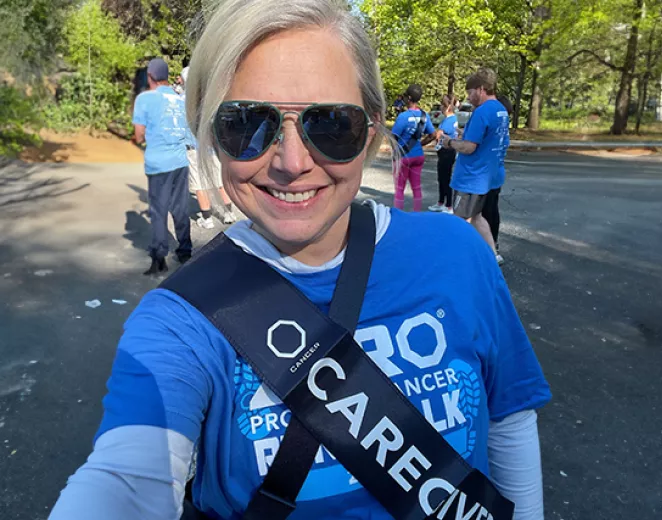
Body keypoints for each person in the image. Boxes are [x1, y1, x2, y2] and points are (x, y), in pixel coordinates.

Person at [49, 2, 550, 520]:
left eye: (332, 125)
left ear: (373, 131)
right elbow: (126, 482)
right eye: (248, 125)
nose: (292, 162)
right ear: (211, 136)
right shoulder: (181, 322)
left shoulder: (457, 254)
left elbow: (509, 420)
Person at [132, 58, 192, 275]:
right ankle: (185, 251)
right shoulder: (180, 100)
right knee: (180, 208)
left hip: (159, 164)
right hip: (180, 162)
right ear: (167, 76)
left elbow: (139, 136)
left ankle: (159, 258)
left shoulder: (145, 99)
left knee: (158, 211)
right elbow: (189, 135)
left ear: (150, 77)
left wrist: (144, 135)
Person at [442, 68, 510, 255]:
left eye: (470, 92)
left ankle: (457, 257)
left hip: (471, 177)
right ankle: (492, 254)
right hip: (489, 175)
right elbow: (493, 139)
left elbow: (469, 147)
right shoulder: (501, 110)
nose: (468, 97)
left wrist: (450, 142)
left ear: (480, 89)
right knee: (478, 217)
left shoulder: (481, 112)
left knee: (459, 219)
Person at [180, 66, 237, 229]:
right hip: (211, 146)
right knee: (218, 181)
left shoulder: (182, 100)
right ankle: (228, 213)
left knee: (199, 184)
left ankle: (207, 218)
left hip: (193, 146)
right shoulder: (208, 99)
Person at [391, 84, 437, 211]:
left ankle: (398, 215)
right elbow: (433, 134)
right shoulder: (424, 115)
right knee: (416, 187)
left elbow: (393, 136)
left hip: (404, 156)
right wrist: (421, 144)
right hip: (418, 155)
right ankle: (417, 214)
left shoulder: (403, 116)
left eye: (406, 96)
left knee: (400, 188)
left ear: (409, 98)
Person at [482, 95, 513, 265]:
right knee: (493, 209)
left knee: (485, 212)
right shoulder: (503, 131)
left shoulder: (497, 131)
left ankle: (490, 247)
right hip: (497, 173)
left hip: (489, 174)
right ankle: (494, 243)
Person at [428, 94, 459, 214]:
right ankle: (441, 202)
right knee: (441, 177)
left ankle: (449, 205)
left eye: (442, 105)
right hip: (445, 151)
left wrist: (434, 138)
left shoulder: (449, 120)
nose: (440, 107)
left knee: (445, 178)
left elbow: (438, 134)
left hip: (447, 151)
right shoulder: (451, 119)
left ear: (447, 108)